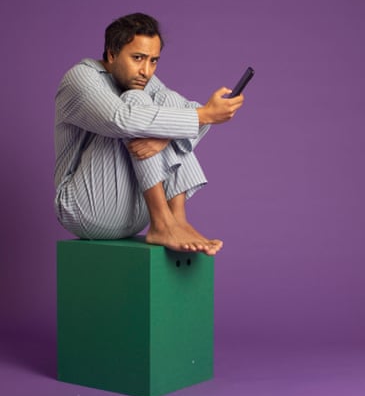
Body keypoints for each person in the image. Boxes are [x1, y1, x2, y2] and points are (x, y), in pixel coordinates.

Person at [54, 13, 244, 255]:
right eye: (138, 58)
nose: (146, 71)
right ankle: (163, 222)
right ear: (112, 54)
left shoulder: (141, 79)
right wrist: (203, 114)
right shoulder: (80, 78)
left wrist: (162, 139)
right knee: (135, 103)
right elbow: (121, 120)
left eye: (154, 61)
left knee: (170, 100)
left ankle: (177, 220)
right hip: (86, 210)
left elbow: (191, 117)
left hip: (136, 211)